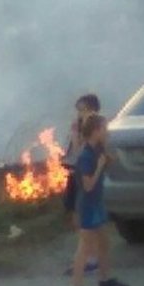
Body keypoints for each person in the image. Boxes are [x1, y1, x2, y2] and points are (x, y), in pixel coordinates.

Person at [68, 114, 129, 286]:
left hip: (97, 203)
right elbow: (87, 185)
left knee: (104, 242)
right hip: (88, 205)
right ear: (95, 131)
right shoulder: (86, 155)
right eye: (104, 129)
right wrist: (101, 165)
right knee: (84, 249)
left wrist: (107, 161)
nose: (107, 132)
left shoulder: (97, 150)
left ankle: (105, 280)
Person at [63, 94, 101, 275]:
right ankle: (86, 255)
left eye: (82, 110)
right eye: (78, 110)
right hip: (72, 172)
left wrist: (76, 134)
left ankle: (90, 258)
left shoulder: (93, 129)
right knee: (74, 214)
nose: (79, 114)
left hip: (83, 174)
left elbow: (80, 150)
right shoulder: (79, 126)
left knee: (84, 216)